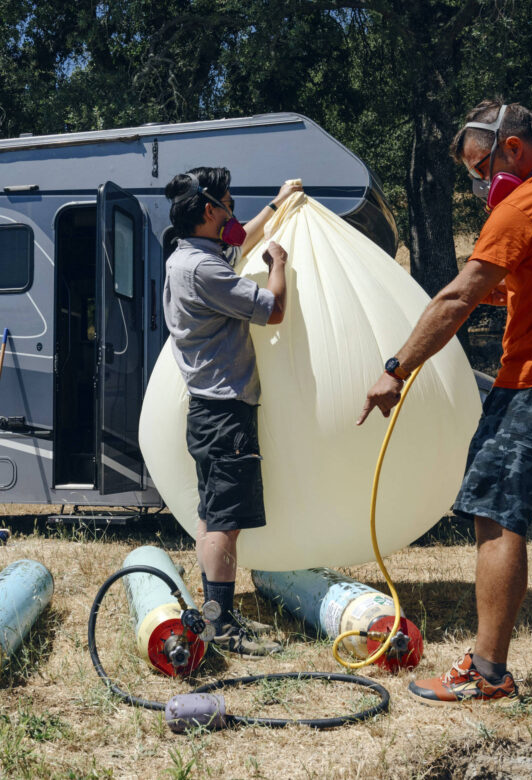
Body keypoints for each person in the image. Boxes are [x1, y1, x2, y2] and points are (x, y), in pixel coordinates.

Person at [358, 101, 532, 707]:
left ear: (513, 148)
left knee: (496, 515)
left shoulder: (525, 203)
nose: (481, 184)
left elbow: (457, 298)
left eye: (481, 168)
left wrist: (396, 368)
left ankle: (487, 671)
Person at [162, 167, 300, 655]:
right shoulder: (206, 271)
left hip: (208, 411)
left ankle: (216, 613)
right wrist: (279, 262)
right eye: (227, 204)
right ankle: (220, 627)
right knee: (224, 523)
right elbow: (274, 308)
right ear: (208, 210)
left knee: (211, 516)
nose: (233, 214)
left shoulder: (189, 259)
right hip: (225, 415)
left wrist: (279, 202)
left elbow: (241, 241)